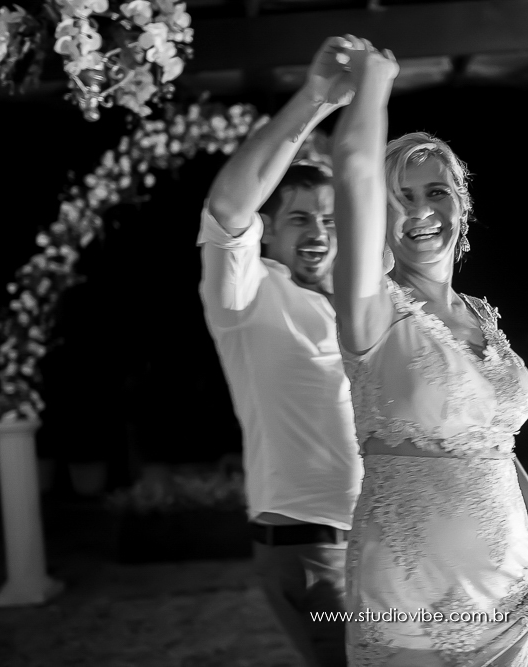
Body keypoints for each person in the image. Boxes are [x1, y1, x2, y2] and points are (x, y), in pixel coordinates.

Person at [330, 40, 528, 664]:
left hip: (511, 584)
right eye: (399, 198)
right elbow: (352, 172)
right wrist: (374, 83)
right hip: (411, 594)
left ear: (463, 202)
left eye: (436, 192)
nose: (421, 212)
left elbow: (487, 440)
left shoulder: (482, 315)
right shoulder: (371, 306)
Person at [197, 37, 363, 667]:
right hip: (315, 550)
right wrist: (315, 99)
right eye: (299, 219)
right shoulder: (249, 297)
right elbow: (227, 206)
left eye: (329, 219)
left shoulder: (358, 303)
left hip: (381, 538)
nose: (318, 232)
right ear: (267, 233)